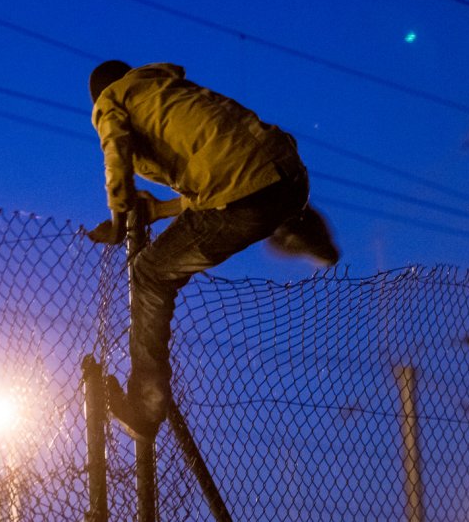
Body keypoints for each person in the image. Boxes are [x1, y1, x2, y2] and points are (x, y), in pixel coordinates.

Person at [87, 60, 339, 440]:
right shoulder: (164, 92)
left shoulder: (112, 99)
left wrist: (120, 218)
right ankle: (299, 226)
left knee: (150, 273)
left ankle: (145, 406)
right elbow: (224, 173)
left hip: (243, 195)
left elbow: (115, 153)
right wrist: (159, 210)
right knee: (261, 203)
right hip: (286, 176)